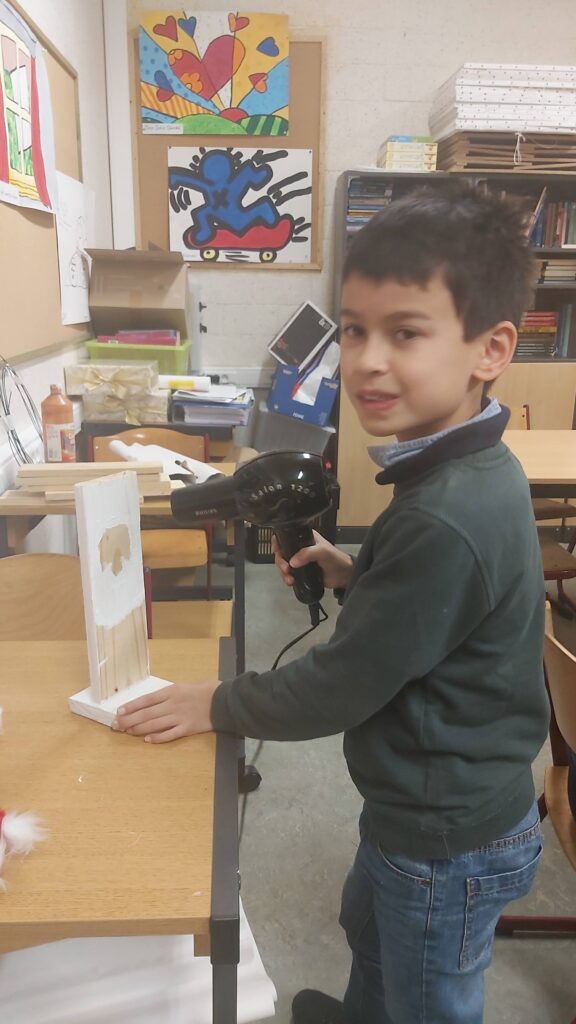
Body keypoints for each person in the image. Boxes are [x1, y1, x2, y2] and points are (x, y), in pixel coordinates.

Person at [113, 181, 550, 1024]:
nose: (366, 360)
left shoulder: (448, 513)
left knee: (427, 996)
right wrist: (352, 572)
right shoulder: (458, 469)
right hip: (421, 803)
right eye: (353, 330)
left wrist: (216, 703)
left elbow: (342, 684)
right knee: (371, 933)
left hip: (445, 832)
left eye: (405, 333)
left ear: (491, 349)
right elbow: (442, 608)